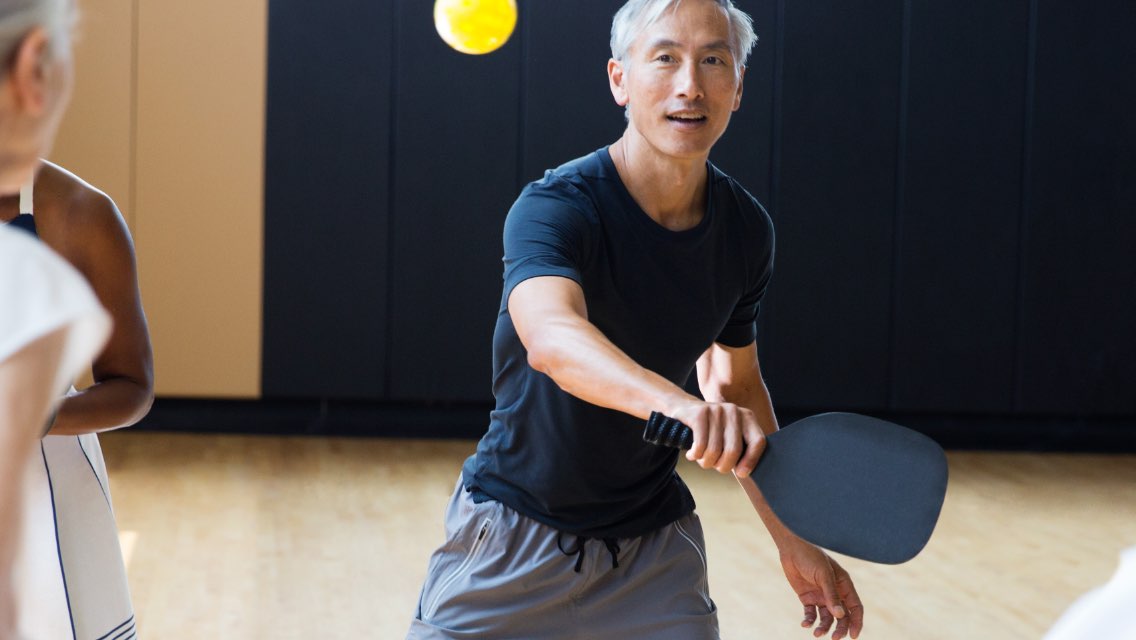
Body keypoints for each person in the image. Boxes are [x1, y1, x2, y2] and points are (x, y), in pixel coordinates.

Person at [408, 0, 864, 638]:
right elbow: (553, 339)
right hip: (513, 536)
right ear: (620, 79)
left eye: (713, 60)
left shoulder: (744, 231)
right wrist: (677, 407)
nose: (690, 84)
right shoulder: (554, 209)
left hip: (653, 556)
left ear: (737, 89)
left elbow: (733, 387)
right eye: (666, 58)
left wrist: (793, 539)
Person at [1, 0, 114, 637]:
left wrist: (40, 416)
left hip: (53, 481)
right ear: (32, 76)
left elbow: (133, 384)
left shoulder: (77, 214)